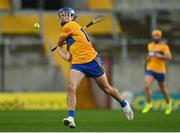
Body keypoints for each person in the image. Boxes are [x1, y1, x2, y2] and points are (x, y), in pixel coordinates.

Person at [55, 7, 134, 128]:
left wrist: (58, 44)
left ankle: (124, 104)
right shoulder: (71, 37)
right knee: (71, 87)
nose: (63, 17)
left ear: (72, 17)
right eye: (61, 15)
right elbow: (68, 57)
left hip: (92, 62)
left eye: (66, 15)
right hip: (78, 64)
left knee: (107, 89)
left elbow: (59, 40)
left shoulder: (70, 26)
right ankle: (71, 117)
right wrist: (60, 48)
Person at [142, 29, 172, 115]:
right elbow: (149, 56)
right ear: (152, 36)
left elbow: (169, 57)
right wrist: (146, 59)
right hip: (150, 68)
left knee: (162, 88)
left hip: (160, 70)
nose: (156, 37)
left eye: (158, 35)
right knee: (147, 86)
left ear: (160, 36)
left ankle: (168, 104)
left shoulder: (164, 46)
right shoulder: (150, 45)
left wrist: (159, 55)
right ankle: (149, 104)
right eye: (155, 35)